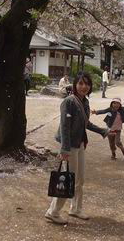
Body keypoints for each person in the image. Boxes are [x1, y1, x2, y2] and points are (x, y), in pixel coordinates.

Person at [45, 72, 109, 225]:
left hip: (80, 144)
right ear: (75, 85)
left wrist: (103, 131)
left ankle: (76, 208)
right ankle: (52, 212)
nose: (84, 87)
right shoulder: (69, 102)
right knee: (68, 179)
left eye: (86, 84)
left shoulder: (84, 102)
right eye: (80, 83)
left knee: (80, 179)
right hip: (70, 146)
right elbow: (65, 128)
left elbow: (85, 123)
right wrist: (65, 150)